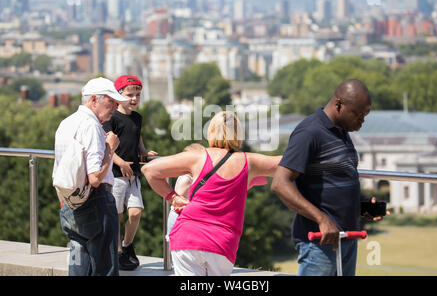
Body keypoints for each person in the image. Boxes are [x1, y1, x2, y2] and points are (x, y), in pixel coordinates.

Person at [271, 79, 388, 276]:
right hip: (319, 241)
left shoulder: (343, 132)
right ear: (338, 104)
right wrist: (322, 219)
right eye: (358, 114)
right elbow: (280, 183)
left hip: (347, 238)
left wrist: (363, 205)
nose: (362, 120)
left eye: (365, 115)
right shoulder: (309, 132)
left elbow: (333, 180)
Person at [141, 111, 281, 276]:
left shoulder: (197, 156)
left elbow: (149, 170)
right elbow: (286, 164)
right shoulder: (249, 161)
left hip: (187, 237)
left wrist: (173, 198)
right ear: (238, 134)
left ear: (211, 131)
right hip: (221, 243)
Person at [53, 77, 129, 276]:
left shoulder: (66, 123)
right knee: (104, 269)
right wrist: (110, 150)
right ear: (94, 100)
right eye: (110, 101)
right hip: (96, 202)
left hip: (70, 203)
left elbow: (59, 170)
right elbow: (95, 177)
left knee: (79, 268)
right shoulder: (92, 126)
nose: (114, 107)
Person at [102, 75, 157, 271]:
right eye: (130, 94)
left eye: (137, 95)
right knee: (116, 214)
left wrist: (143, 151)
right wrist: (120, 162)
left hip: (133, 174)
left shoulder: (137, 118)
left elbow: (137, 136)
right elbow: (108, 145)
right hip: (116, 174)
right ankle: (116, 251)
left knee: (135, 211)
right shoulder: (112, 117)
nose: (134, 99)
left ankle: (127, 245)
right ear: (119, 95)